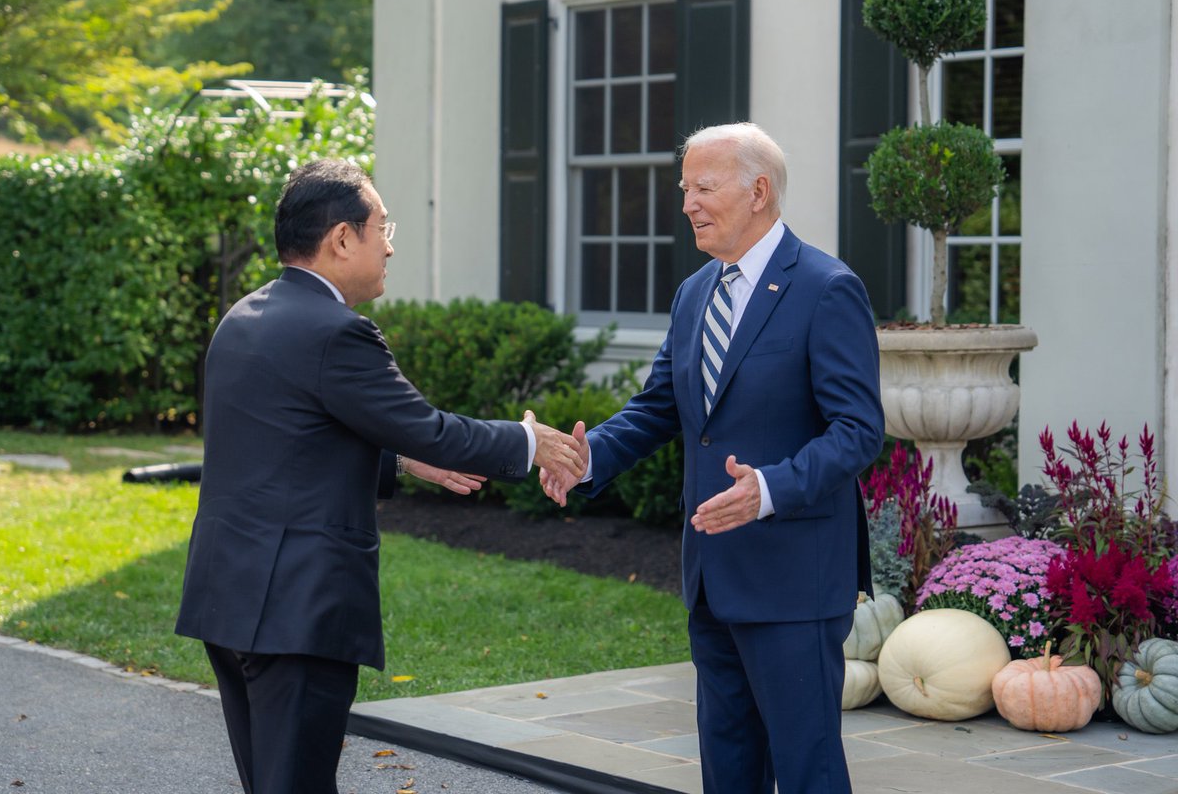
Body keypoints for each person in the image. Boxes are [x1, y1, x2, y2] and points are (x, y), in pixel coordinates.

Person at [175, 158, 584, 794]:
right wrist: (530, 441)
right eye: (382, 227)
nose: (390, 245)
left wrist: (401, 460)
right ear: (342, 238)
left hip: (229, 599)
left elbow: (288, 441)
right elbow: (432, 428)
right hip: (296, 611)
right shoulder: (338, 332)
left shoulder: (246, 317)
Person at [542, 123, 884, 794]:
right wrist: (587, 460)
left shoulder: (826, 288)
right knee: (727, 768)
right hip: (713, 577)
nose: (688, 204)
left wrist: (771, 488)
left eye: (703, 187)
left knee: (807, 768)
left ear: (758, 191)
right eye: (684, 188)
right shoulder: (695, 292)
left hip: (794, 579)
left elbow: (858, 430)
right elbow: (660, 407)